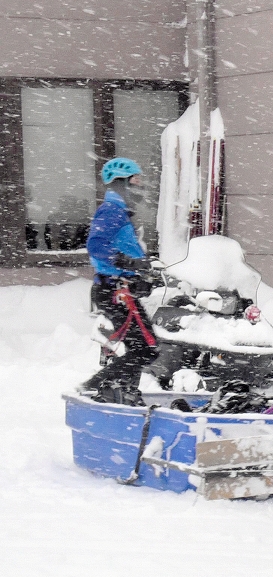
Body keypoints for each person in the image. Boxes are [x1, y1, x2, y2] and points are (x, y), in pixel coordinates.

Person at [82, 158, 158, 405]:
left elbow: (120, 251)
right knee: (146, 349)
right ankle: (92, 388)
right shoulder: (111, 211)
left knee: (138, 348)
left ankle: (122, 395)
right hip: (115, 291)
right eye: (136, 180)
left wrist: (144, 271)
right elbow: (96, 245)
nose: (141, 186)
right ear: (121, 182)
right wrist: (128, 264)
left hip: (118, 289)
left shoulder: (119, 212)